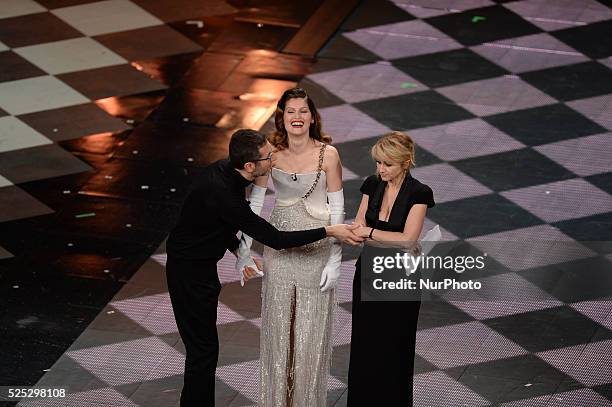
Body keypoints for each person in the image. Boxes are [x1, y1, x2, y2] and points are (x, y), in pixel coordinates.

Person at [165, 128, 361, 407]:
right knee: (202, 351)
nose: (274, 160)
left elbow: (215, 223)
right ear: (250, 166)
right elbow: (276, 239)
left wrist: (239, 250)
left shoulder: (225, 172)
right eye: (269, 157)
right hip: (188, 275)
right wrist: (329, 231)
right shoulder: (224, 193)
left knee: (203, 349)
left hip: (199, 268)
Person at [240, 88, 344, 406]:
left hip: (317, 244)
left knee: (310, 327)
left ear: (312, 117)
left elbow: (338, 208)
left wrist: (335, 260)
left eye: (303, 111)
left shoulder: (330, 154)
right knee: (278, 323)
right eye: (290, 111)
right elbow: (255, 203)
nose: (297, 117)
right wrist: (244, 249)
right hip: (280, 243)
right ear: (281, 117)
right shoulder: (272, 154)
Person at [347, 131, 435, 406]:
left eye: (387, 164)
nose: (381, 169)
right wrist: (386, 237)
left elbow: (408, 239)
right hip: (369, 272)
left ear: (405, 162)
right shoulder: (372, 184)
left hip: (400, 277)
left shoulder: (419, 193)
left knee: (395, 345)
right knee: (365, 342)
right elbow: (357, 227)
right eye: (378, 163)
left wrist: (371, 233)